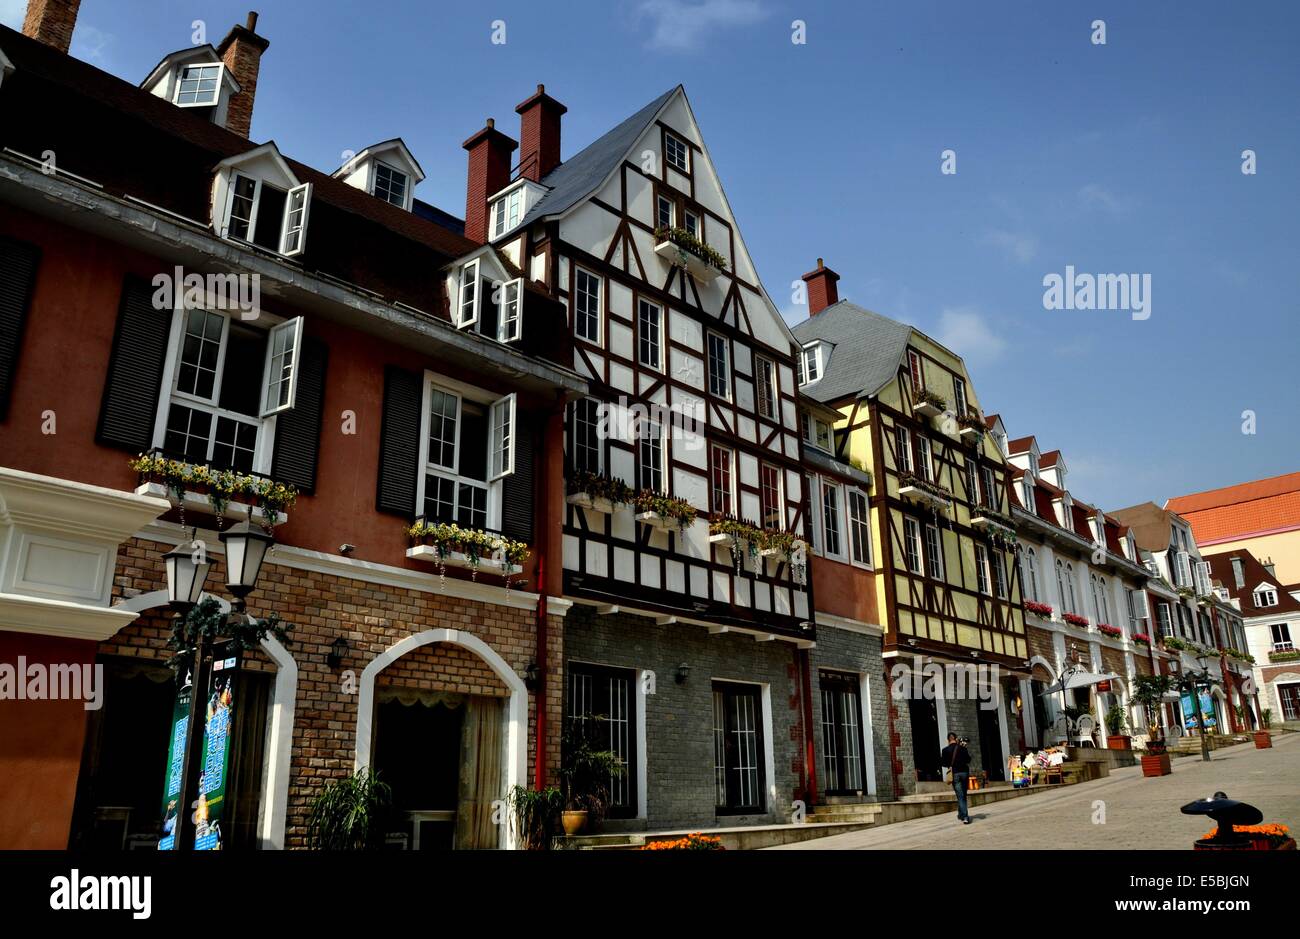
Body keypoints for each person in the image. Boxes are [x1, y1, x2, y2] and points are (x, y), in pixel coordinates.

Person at [940, 732, 973, 824]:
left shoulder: (945, 750)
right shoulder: (962, 748)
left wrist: (950, 765)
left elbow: (943, 763)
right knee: (963, 795)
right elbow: (968, 760)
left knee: (960, 795)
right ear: (956, 738)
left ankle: (965, 816)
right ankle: (961, 814)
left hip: (955, 774)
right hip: (964, 773)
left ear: (948, 740)